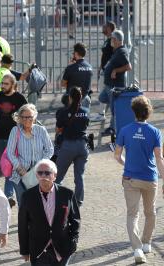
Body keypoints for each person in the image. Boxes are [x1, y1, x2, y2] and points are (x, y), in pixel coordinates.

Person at [114, 95, 164, 264]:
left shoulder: (125, 130)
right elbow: (159, 158)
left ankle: (136, 249)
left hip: (130, 177)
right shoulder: (155, 132)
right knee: (150, 212)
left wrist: (126, 165)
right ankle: (147, 242)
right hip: (150, 178)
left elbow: (117, 155)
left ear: (133, 111)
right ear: (148, 112)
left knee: (132, 214)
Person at [18, 159, 80, 265]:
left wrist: (73, 241)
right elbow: (22, 225)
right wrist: (24, 250)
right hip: (38, 249)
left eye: (47, 173)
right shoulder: (27, 196)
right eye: (40, 173)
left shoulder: (67, 194)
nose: (43, 176)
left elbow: (75, 219)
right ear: (36, 176)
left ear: (54, 175)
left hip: (62, 248)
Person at [0, 73, 27, 207]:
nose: (2, 86)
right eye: (2, 83)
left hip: (16, 138)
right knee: (7, 168)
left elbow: (28, 118)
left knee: (12, 167)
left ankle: (9, 196)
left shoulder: (20, 99)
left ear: (13, 85)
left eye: (6, 84)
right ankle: (10, 196)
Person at [6, 104, 54, 207]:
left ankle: (36, 223)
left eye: (30, 117)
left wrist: (41, 165)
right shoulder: (15, 131)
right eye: (24, 117)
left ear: (34, 117)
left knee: (39, 202)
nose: (28, 119)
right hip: (19, 174)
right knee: (23, 203)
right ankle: (24, 223)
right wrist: (19, 168)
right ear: (20, 118)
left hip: (39, 174)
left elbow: (49, 149)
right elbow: (10, 152)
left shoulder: (41, 130)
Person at [54, 87, 90, 206]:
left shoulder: (63, 112)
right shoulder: (85, 111)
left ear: (69, 97)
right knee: (79, 176)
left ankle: (55, 199)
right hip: (83, 146)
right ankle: (79, 201)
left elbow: (58, 129)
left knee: (58, 176)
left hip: (68, 146)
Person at [100, 29, 132, 136]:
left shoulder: (122, 51)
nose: (111, 41)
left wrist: (115, 70)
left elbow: (128, 67)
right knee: (102, 98)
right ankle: (116, 106)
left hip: (115, 86)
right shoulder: (117, 50)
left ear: (118, 40)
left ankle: (112, 129)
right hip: (109, 85)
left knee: (115, 109)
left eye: (112, 39)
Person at [91, 21, 116, 122]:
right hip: (104, 69)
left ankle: (102, 114)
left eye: (104, 27)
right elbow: (105, 56)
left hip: (107, 71)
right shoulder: (108, 40)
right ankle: (102, 113)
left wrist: (106, 68)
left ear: (109, 28)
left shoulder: (113, 40)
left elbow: (113, 56)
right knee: (103, 91)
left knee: (104, 92)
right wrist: (100, 67)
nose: (103, 28)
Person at [61, 43, 93, 111]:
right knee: (84, 120)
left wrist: (69, 66)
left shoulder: (71, 68)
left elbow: (63, 84)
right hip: (85, 98)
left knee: (71, 120)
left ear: (76, 53)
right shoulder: (90, 67)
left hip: (72, 100)